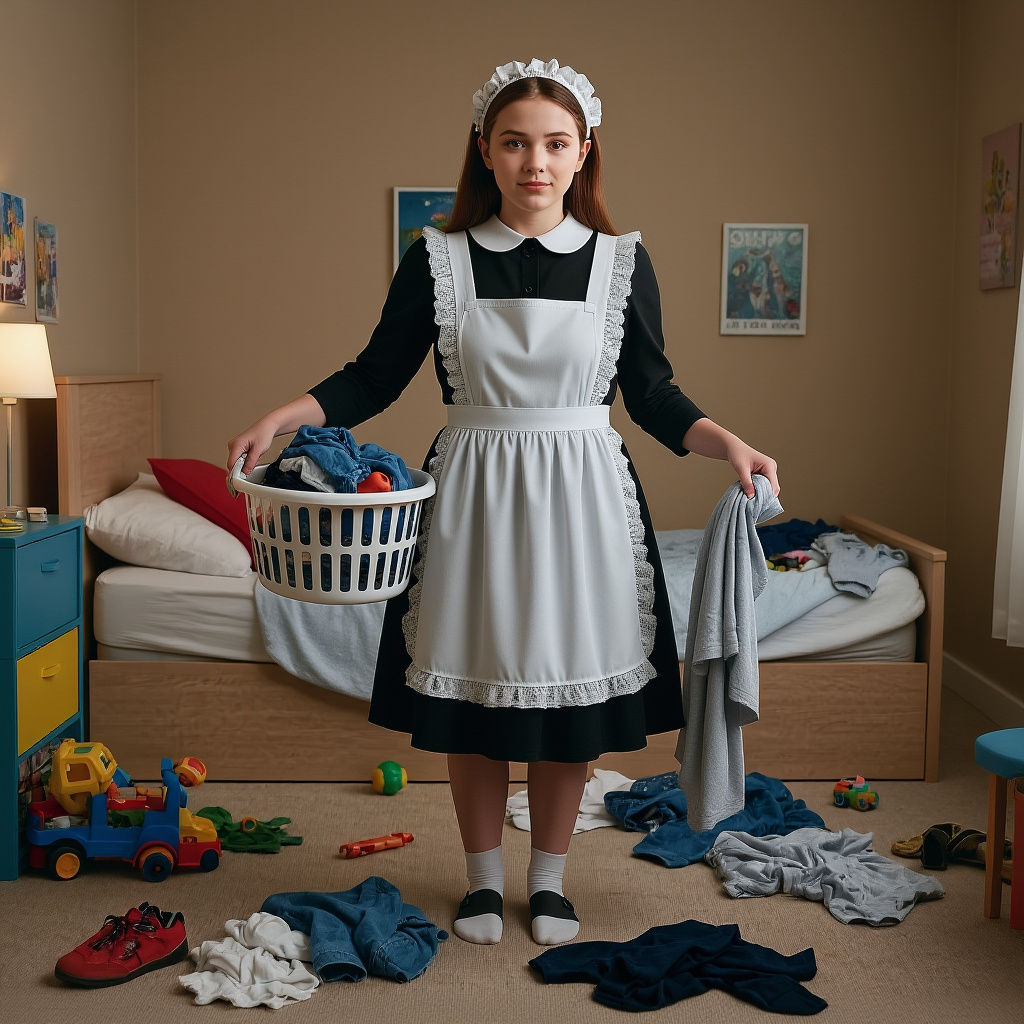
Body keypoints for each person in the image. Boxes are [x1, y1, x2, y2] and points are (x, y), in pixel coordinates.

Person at [227, 57, 780, 948]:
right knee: (475, 703)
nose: (536, 162)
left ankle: (549, 883)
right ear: (485, 150)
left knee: (568, 709)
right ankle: (483, 883)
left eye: (556, 144)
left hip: (586, 499)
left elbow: (653, 395)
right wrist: (281, 418)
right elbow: (373, 376)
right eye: (516, 143)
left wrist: (731, 447)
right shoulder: (435, 260)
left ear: (584, 152)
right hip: (472, 499)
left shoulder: (621, 263)